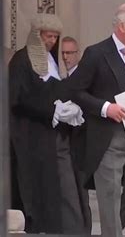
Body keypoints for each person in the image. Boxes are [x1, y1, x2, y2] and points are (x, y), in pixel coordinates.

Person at [68, 3, 125, 237]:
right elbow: (75, 90)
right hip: (106, 134)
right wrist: (106, 108)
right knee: (110, 193)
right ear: (121, 26)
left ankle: (110, 231)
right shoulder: (96, 53)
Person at [9, 13, 84, 233]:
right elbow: (17, 98)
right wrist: (51, 110)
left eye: (54, 37)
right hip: (31, 137)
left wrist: (70, 108)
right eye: (48, 36)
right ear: (37, 35)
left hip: (54, 136)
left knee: (64, 189)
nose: (51, 41)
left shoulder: (53, 62)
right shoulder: (21, 61)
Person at [58, 36, 93, 233]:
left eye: (69, 53)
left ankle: (84, 231)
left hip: (81, 143)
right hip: (67, 143)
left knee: (81, 192)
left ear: (77, 54)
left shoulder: (82, 78)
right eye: (63, 53)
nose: (65, 57)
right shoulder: (64, 79)